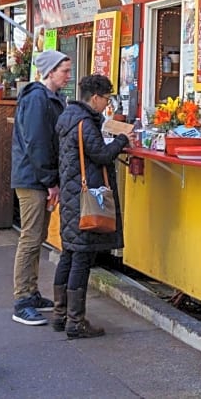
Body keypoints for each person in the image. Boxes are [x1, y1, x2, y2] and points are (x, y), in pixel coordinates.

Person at [53, 74, 130, 338]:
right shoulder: (85, 122)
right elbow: (100, 154)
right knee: (81, 257)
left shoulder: (67, 116)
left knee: (69, 254)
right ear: (95, 97)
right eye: (106, 98)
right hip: (86, 199)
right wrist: (123, 139)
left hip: (71, 195)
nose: (106, 104)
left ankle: (60, 314)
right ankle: (75, 322)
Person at [10, 50, 71, 326]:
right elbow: (37, 143)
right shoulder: (38, 99)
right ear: (49, 72)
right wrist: (50, 180)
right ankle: (22, 299)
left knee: (35, 236)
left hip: (37, 177)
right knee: (31, 238)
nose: (68, 77)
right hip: (33, 178)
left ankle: (31, 292)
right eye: (64, 71)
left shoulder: (49, 98)